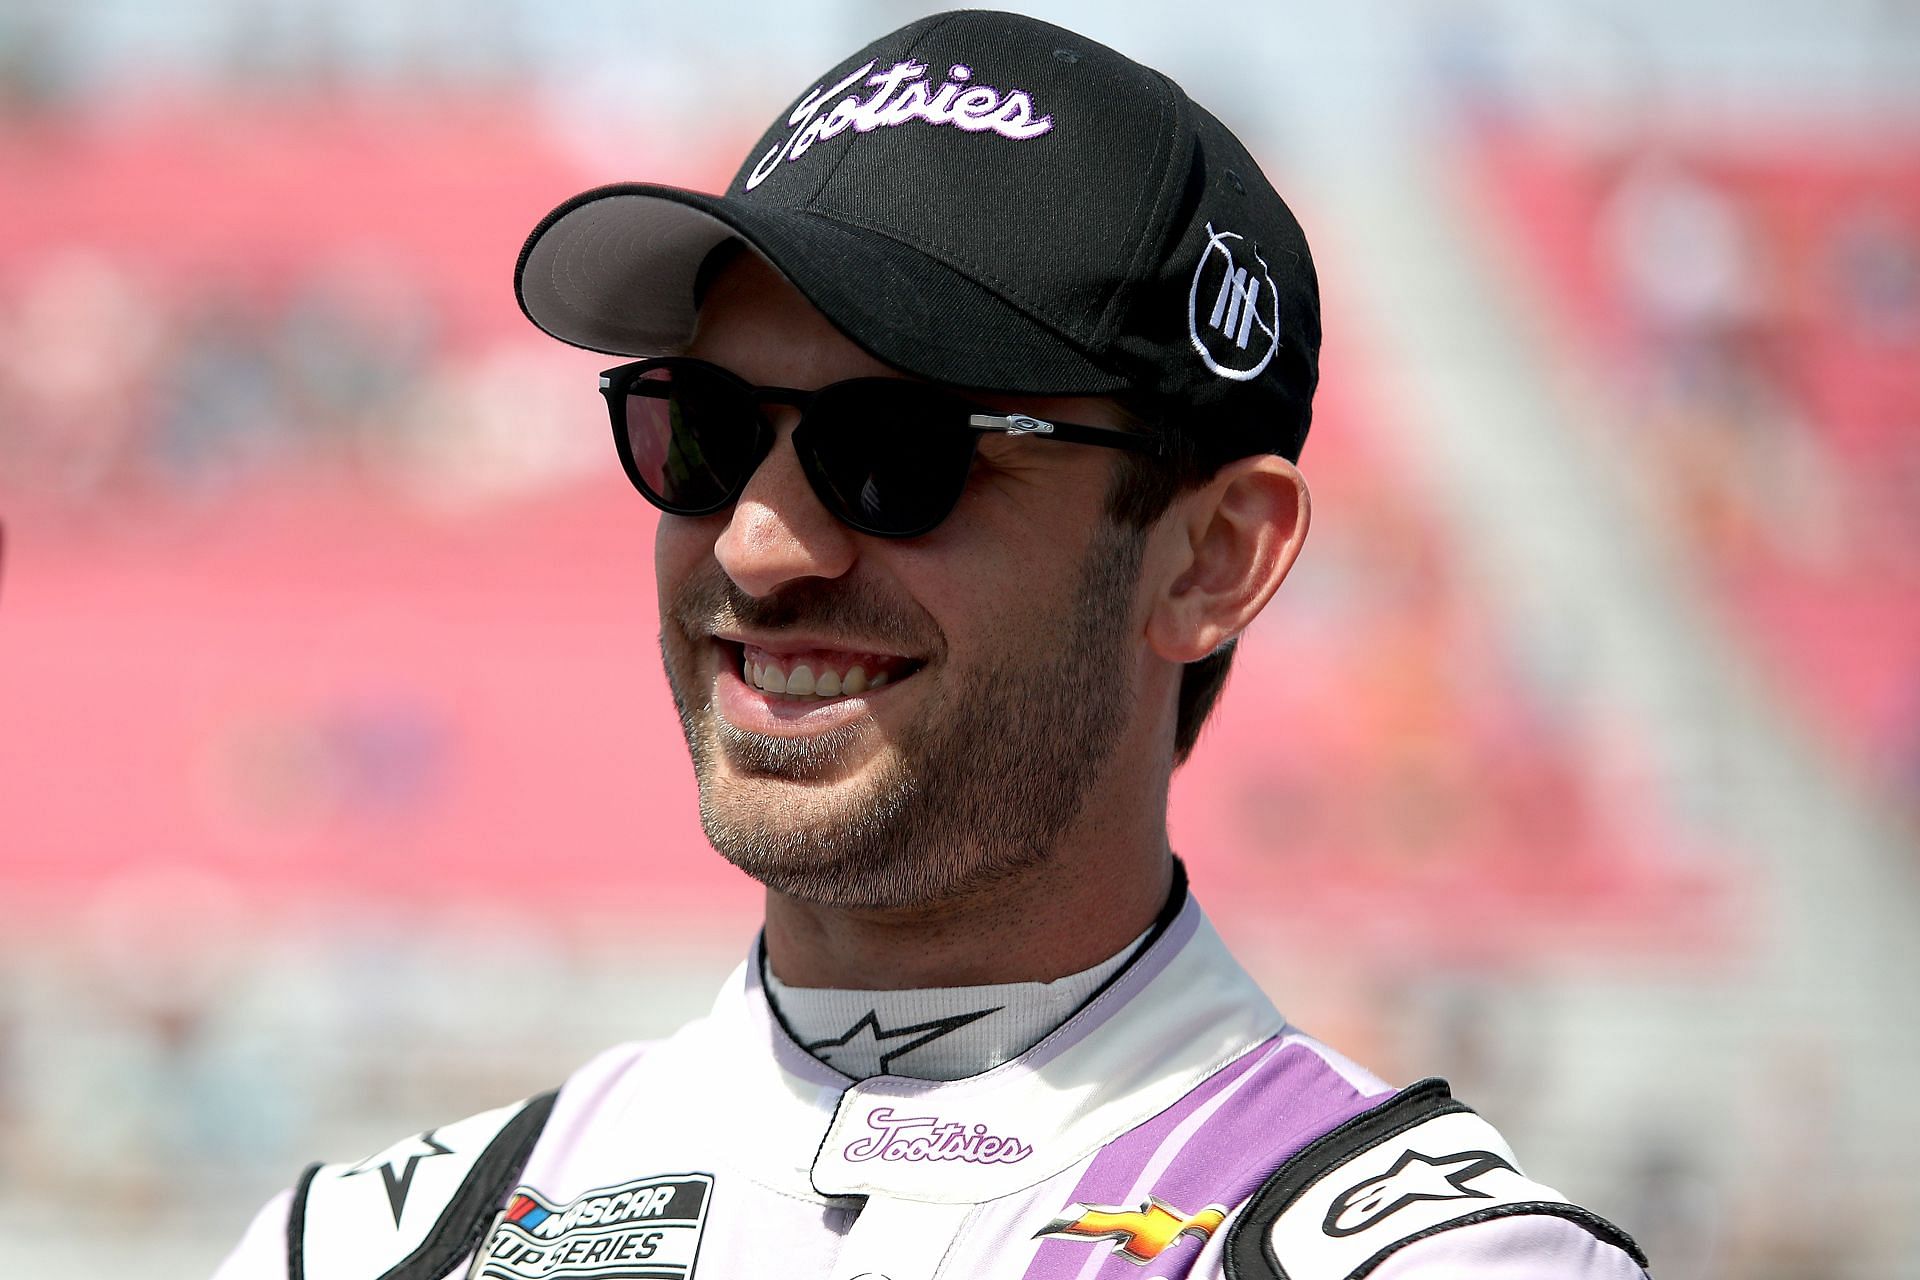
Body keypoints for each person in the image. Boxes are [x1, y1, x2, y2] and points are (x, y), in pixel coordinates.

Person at [215, 12, 1649, 1279]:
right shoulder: (366, 1245)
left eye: (899, 452)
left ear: (1211, 558)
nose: (761, 543)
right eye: (703, 433)